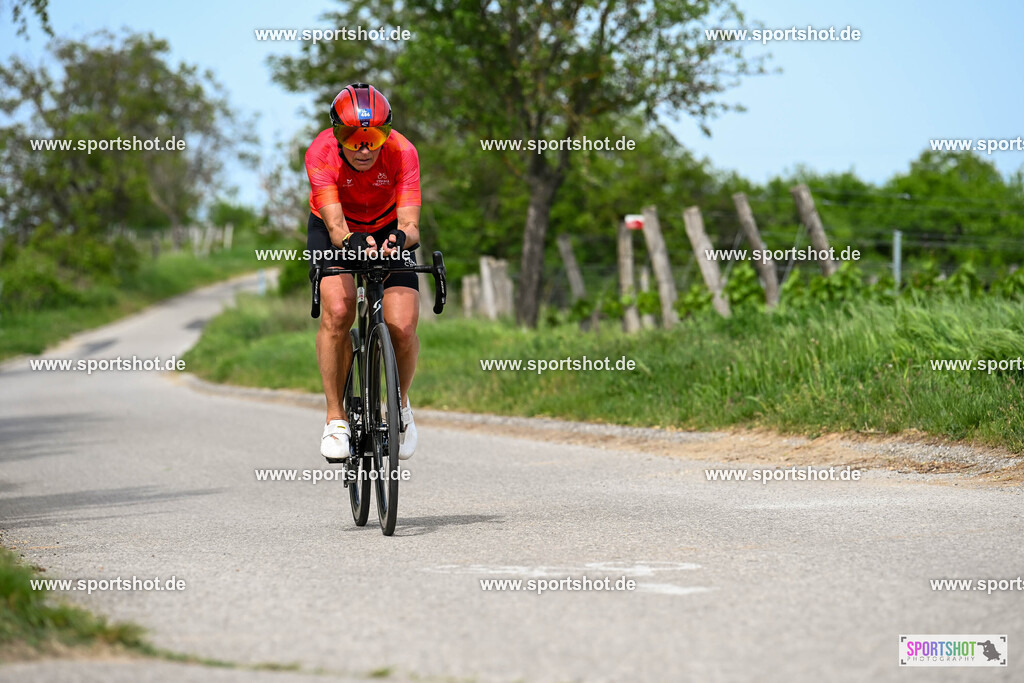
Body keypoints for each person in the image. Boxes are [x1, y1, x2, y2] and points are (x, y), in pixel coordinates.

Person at [303, 82, 421, 461]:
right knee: (338, 310)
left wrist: (398, 239)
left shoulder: (403, 152)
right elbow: (336, 227)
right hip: (336, 227)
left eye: (374, 137)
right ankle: (335, 418)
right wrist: (351, 241)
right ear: (337, 136)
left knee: (402, 326)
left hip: (388, 227)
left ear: (387, 134)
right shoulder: (320, 153)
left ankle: (400, 407)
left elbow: (412, 226)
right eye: (353, 138)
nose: (364, 148)